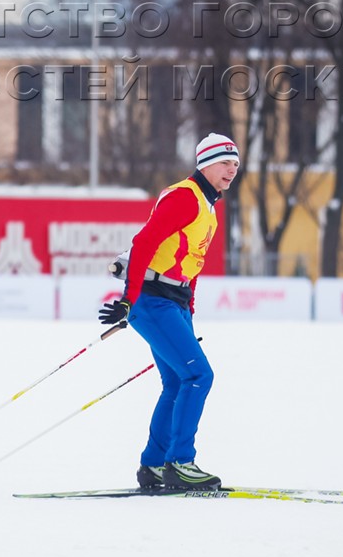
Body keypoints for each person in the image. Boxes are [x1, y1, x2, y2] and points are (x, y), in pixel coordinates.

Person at [99, 132, 240, 492]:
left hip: (173, 303)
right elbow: (143, 243)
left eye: (236, 164)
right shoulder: (185, 198)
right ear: (206, 164)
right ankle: (180, 463)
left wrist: (188, 315)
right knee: (199, 376)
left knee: (178, 381)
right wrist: (129, 298)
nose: (232, 169)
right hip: (152, 299)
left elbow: (190, 265)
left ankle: (154, 466)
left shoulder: (209, 208)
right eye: (225, 162)